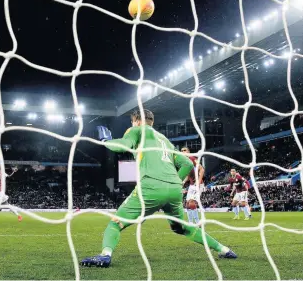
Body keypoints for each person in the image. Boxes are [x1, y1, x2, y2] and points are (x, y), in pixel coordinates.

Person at [80, 109, 236, 268]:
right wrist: (175, 180)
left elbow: (123, 146)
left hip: (150, 187)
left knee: (115, 224)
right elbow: (187, 164)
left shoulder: (136, 130)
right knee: (182, 228)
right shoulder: (165, 140)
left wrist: (106, 140)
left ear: (137, 121)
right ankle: (223, 249)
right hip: (174, 190)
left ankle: (105, 255)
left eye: (132, 122)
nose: (132, 125)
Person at [181, 147, 205, 224]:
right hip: (191, 185)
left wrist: (198, 181)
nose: (183, 152)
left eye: (185, 150)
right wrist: (183, 181)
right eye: (181, 151)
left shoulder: (192, 158)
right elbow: (188, 175)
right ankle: (190, 223)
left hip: (198, 184)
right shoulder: (184, 162)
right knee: (187, 204)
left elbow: (201, 169)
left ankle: (198, 223)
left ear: (188, 152)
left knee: (191, 203)